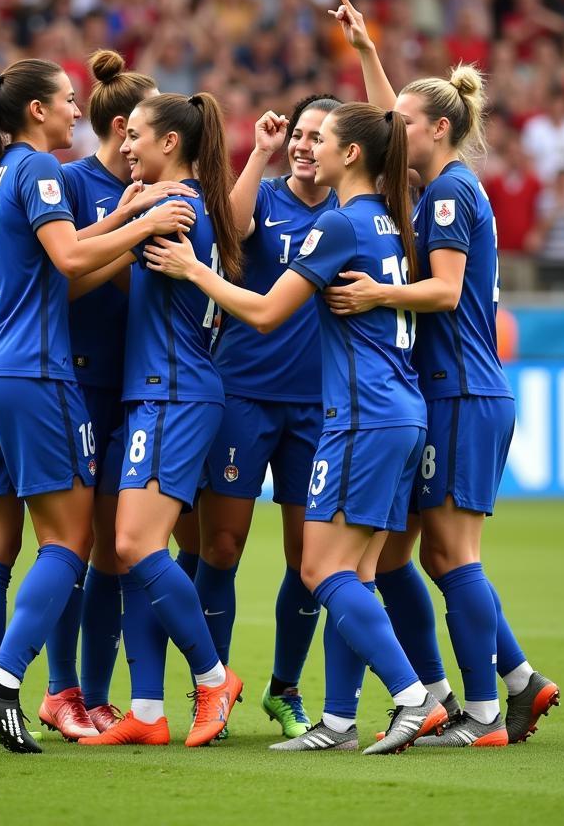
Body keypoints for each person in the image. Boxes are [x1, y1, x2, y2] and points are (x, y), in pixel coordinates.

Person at [144, 101, 449, 754]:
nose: (310, 147)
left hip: (359, 417)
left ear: (351, 155)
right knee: (355, 575)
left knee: (318, 569)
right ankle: (338, 722)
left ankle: (415, 695)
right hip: (400, 410)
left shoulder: (340, 224)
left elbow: (262, 312)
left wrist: (195, 270)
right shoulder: (393, 220)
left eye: (325, 138)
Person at [326, 0, 559, 746]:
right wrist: (367, 51)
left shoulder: (453, 195)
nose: (394, 131)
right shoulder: (441, 185)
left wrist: (375, 293)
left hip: (460, 389)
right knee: (418, 552)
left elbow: (449, 290)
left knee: (450, 552)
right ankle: (515, 680)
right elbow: (393, 113)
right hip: (453, 389)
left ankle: (487, 712)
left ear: (440, 130)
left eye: (406, 125)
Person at [0, 59, 194, 755]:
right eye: (63, 100)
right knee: (72, 541)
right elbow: (66, 260)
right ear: (35, 111)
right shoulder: (44, 172)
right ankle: (3, 683)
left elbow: (58, 253)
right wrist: (146, 223)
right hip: (33, 373)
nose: (73, 109)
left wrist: (121, 216)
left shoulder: (0, 172)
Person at [78, 92, 246, 749]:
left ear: (170, 143)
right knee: (133, 554)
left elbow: (78, 265)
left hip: (171, 392)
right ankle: (146, 709)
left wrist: (125, 214)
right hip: (160, 391)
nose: (125, 145)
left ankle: (212, 679)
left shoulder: (171, 206)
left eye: (138, 135)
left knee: (133, 547)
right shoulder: (182, 204)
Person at [196, 94, 340, 741]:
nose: (306, 145)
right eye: (300, 135)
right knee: (220, 546)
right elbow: (227, 228)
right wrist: (258, 152)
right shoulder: (270, 197)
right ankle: (214, 684)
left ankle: (285, 687)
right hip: (242, 395)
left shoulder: (351, 214)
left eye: (319, 136)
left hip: (318, 406)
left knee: (309, 559)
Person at [39, 49, 161, 740]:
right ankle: (59, 689)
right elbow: (60, 282)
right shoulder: (69, 184)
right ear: (122, 127)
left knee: (116, 550)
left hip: (134, 388)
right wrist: (133, 231)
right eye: (144, 127)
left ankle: (95, 694)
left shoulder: (157, 189)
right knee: (72, 542)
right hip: (75, 382)